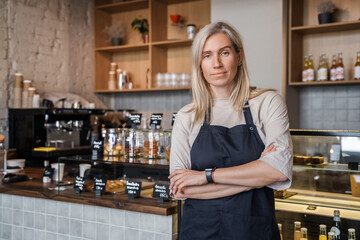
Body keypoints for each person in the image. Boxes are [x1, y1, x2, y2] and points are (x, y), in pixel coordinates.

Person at [168, 22, 292, 240]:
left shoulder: (267, 102)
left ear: (239, 56)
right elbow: (180, 190)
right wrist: (255, 178)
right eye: (207, 56)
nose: (216, 63)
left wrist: (205, 176)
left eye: (224, 52)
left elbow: (278, 172)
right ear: (199, 63)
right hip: (199, 233)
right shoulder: (187, 115)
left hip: (254, 232)